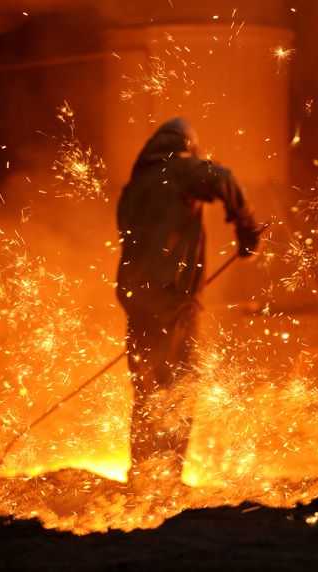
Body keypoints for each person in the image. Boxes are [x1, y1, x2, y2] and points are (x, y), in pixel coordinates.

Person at [116, 117, 265, 485]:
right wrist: (246, 228)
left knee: (147, 385)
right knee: (180, 383)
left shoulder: (133, 188)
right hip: (172, 298)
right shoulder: (179, 169)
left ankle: (142, 474)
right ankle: (166, 477)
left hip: (137, 300)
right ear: (186, 147)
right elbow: (223, 178)